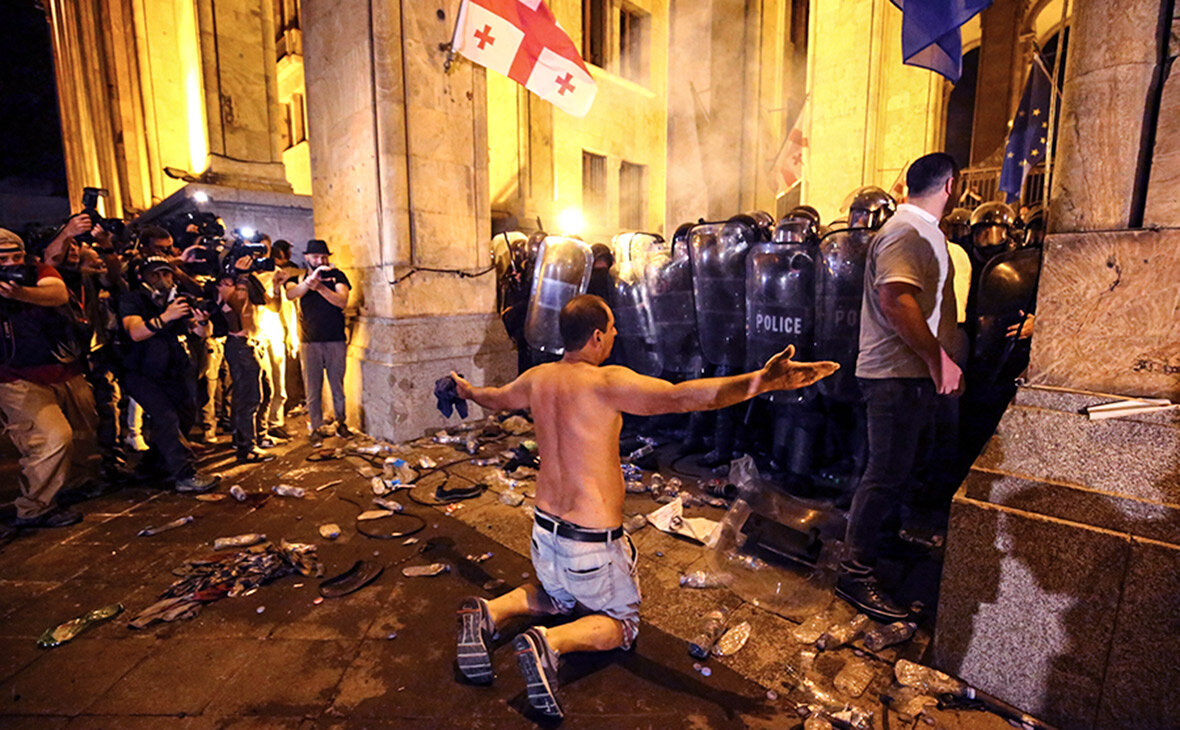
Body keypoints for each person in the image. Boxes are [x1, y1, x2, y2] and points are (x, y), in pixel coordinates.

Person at [450, 294, 837, 718]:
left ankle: (490, 612)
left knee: (559, 598)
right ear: (597, 336)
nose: (616, 335)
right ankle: (549, 644)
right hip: (590, 547)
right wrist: (763, 381)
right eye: (612, 329)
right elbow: (683, 396)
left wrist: (465, 389)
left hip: (544, 534)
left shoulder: (537, 378)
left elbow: (494, 397)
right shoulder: (605, 382)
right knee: (623, 625)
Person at [837, 152, 962, 622]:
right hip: (894, 375)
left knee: (898, 471)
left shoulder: (920, 231)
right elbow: (895, 299)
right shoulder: (905, 232)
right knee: (884, 472)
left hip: (908, 376)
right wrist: (938, 359)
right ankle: (854, 572)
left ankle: (882, 544)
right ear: (951, 185)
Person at [0, 228, 100, 528]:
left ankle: (74, 484)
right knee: (51, 438)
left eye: (16, 256)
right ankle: (34, 507)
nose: (11, 264)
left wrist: (19, 293)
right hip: (16, 377)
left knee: (85, 430)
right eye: (3, 259)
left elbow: (56, 293)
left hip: (64, 369)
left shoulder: (36, 272)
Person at [119, 256, 221, 492]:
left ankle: (152, 467)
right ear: (142, 277)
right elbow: (135, 332)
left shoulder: (177, 301)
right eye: (155, 275)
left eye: (167, 274)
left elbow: (202, 333)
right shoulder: (133, 299)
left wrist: (202, 321)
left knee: (185, 416)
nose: (162, 280)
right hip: (141, 371)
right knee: (166, 418)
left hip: (174, 369)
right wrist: (166, 317)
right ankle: (185, 475)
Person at [282, 239, 351, 445]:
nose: (320, 260)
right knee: (312, 387)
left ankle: (341, 422)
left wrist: (320, 287)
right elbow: (291, 294)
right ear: (307, 258)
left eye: (323, 257)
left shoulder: (337, 276)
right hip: (309, 340)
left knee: (337, 385)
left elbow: (342, 301)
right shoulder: (300, 277)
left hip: (335, 339)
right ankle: (315, 426)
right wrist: (308, 283)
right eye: (315, 257)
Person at [215, 259, 274, 464]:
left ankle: (257, 437)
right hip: (239, 345)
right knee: (247, 398)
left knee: (264, 391)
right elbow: (238, 316)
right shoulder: (223, 297)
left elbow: (268, 302)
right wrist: (239, 281)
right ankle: (245, 447)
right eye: (229, 284)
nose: (237, 288)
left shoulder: (246, 286)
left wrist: (248, 279)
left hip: (252, 343)